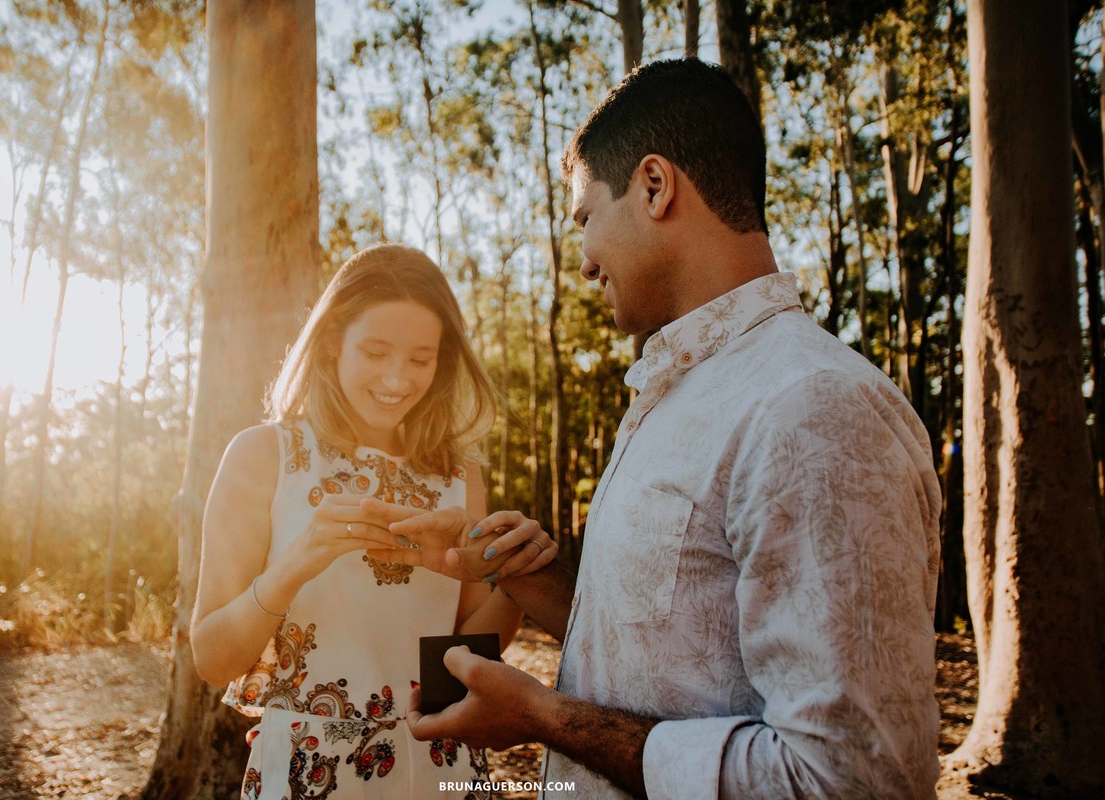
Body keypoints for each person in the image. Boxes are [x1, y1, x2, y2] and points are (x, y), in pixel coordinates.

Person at [372, 59, 943, 799]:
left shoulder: (813, 407)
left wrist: (545, 718)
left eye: (584, 219)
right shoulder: (678, 395)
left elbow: (850, 781)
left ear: (653, 186)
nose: (583, 263)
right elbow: (664, 656)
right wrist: (514, 573)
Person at [189, 244, 557, 800]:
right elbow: (213, 658)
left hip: (438, 759)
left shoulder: (459, 476)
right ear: (334, 342)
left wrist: (514, 574)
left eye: (420, 358)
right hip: (306, 771)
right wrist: (296, 563)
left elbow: (464, 655)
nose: (397, 378)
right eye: (377, 352)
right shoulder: (264, 455)